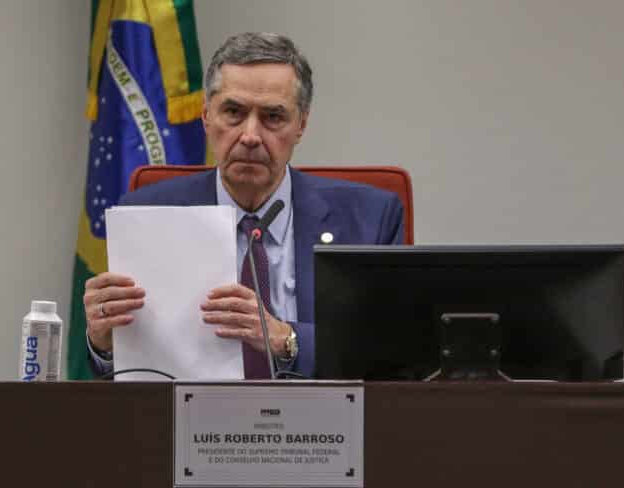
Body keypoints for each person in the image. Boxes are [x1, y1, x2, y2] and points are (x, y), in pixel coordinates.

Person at [83, 32, 404, 379]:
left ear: (301, 125)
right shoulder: (147, 215)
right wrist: (103, 342)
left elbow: (390, 350)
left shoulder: (370, 218)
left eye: (273, 117)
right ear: (206, 117)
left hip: (324, 425)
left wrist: (286, 338)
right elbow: (129, 374)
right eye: (233, 112)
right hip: (190, 423)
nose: (250, 135)